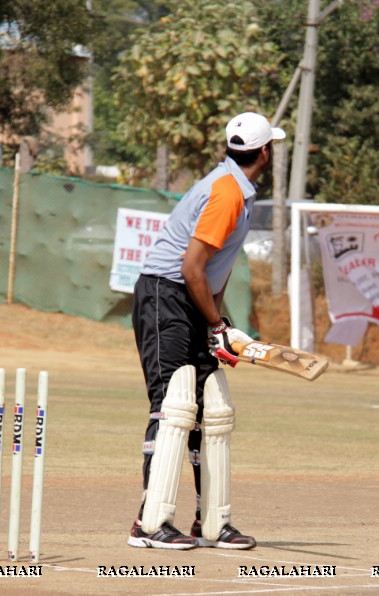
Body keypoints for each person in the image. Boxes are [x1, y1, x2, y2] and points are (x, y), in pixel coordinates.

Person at [127, 111, 285, 550]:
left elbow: (214, 271)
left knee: (211, 407)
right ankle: (149, 522)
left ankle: (212, 522)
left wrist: (219, 326)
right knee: (172, 405)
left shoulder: (237, 188)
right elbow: (190, 267)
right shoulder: (227, 192)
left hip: (188, 297)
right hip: (167, 295)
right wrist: (214, 322)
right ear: (265, 151)